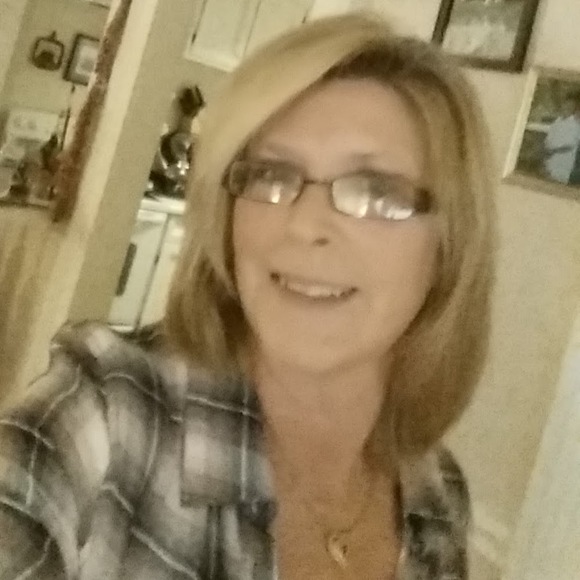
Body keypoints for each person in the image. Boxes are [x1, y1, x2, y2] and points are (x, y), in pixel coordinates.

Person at [0, 12, 496, 580]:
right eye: (271, 176)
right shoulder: (104, 418)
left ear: (450, 245)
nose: (304, 225)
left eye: (376, 190)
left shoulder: (437, 501)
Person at [543, 92, 580, 184]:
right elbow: (548, 140)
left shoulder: (575, 124)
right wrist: (546, 150)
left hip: (563, 164)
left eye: (571, 106)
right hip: (548, 162)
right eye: (566, 104)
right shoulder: (557, 122)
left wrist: (554, 150)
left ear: (574, 108)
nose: (567, 107)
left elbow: (570, 145)